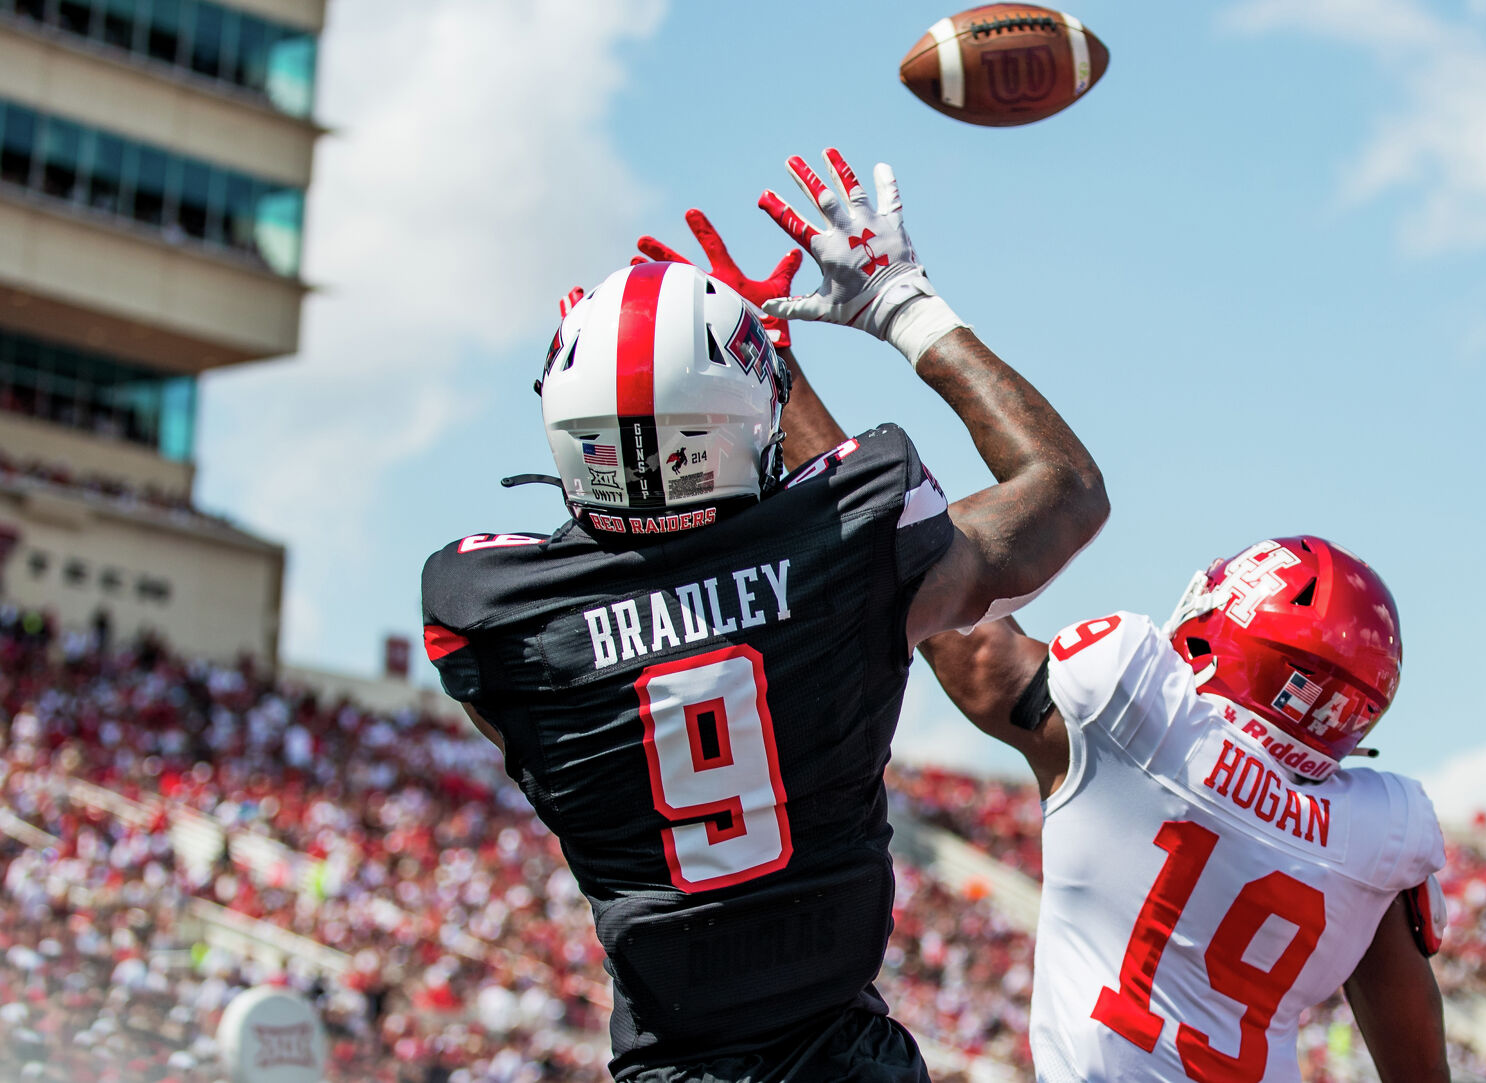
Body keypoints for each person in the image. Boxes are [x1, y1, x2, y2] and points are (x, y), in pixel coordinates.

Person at [419, 148, 1107, 1083]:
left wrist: (642, 409)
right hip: (846, 1055)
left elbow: (621, 604)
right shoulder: (851, 546)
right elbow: (1062, 492)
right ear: (750, 415)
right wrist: (897, 301)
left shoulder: (489, 611)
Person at [913, 540, 1450, 1083]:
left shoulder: (1146, 725)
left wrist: (889, 499)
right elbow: (1422, 1072)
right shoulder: (1381, 833)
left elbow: (970, 641)